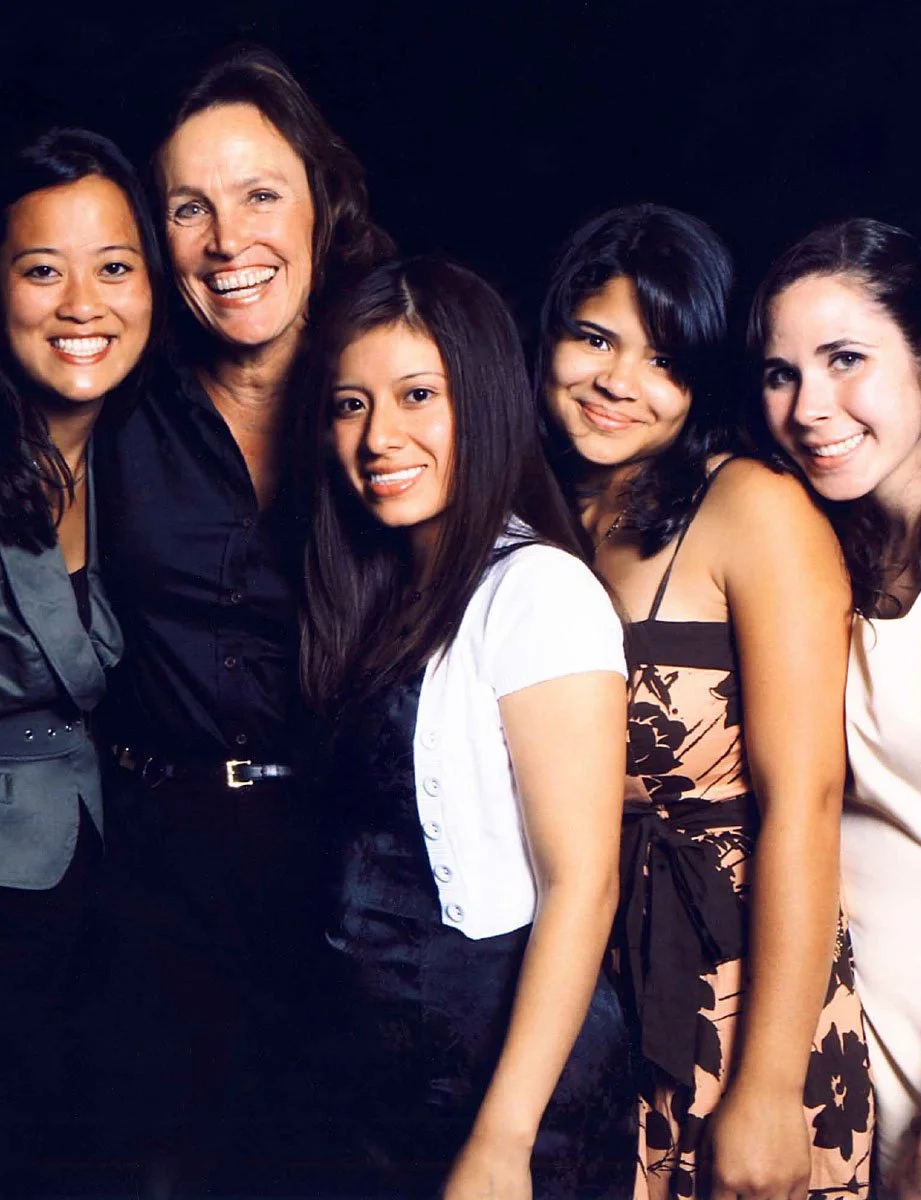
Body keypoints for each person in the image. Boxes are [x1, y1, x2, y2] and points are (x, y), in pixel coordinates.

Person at [92, 43, 393, 1191]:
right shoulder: (114, 401)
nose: (228, 242)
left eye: (260, 195)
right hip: (150, 875)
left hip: (355, 873)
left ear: (323, 202)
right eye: (189, 208)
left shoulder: (403, 397)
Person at [537, 203, 874, 1200]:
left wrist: (766, 1087)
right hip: (583, 988)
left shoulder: (752, 506)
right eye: (594, 337)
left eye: (663, 360)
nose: (617, 381)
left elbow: (805, 800)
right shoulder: (534, 511)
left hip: (740, 989)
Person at [299, 256, 636, 1199]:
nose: (379, 437)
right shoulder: (380, 594)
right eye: (350, 405)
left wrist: (502, 1140)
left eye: (418, 395)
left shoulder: (538, 590)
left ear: (483, 403)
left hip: (507, 1091)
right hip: (388, 1083)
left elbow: (582, 885)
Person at [750, 217, 921, 1199]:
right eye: (781, 374)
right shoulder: (822, 558)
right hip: (852, 1096)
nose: (809, 407)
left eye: (845, 359)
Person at [0, 127, 155, 1196]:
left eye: (113, 266)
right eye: (42, 270)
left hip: (113, 873)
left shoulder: (149, 452)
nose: (82, 305)